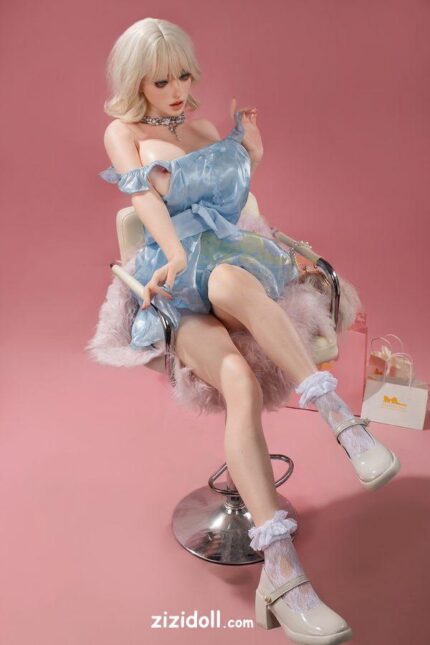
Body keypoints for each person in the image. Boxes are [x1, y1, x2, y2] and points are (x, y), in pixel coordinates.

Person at [96, 17, 400, 644]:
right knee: (236, 377)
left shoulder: (206, 130)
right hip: (174, 281)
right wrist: (172, 253)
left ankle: (339, 423)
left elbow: (230, 209)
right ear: (136, 81)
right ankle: (284, 573)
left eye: (184, 75)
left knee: (234, 281)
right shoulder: (123, 132)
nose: (178, 90)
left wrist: (250, 155)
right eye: (161, 80)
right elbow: (145, 201)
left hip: (227, 265)